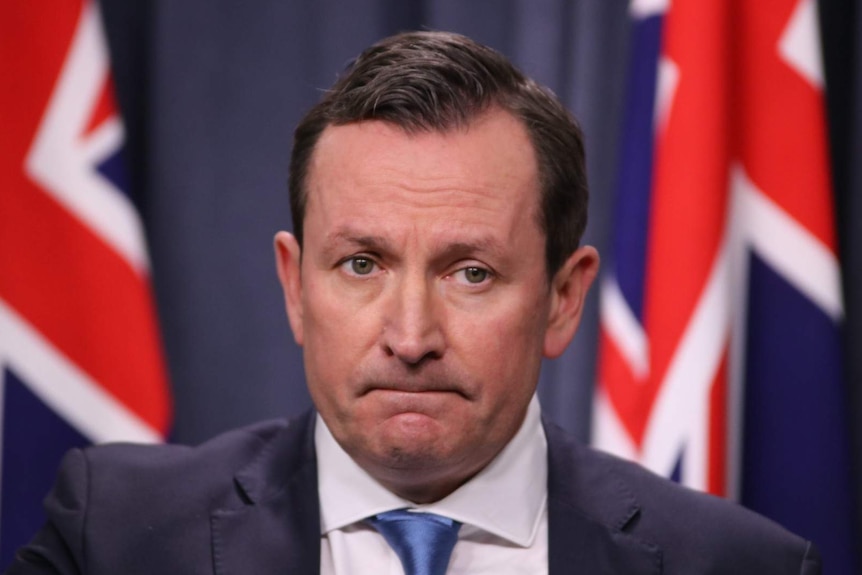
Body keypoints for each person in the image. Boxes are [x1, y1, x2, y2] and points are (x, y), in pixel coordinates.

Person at [7, 31, 820, 575]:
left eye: (470, 272)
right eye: (361, 263)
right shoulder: (115, 534)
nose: (410, 335)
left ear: (564, 299)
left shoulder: (735, 563)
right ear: (295, 286)